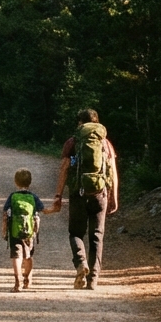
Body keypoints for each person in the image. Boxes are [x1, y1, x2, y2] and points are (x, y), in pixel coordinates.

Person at [54, 108, 118, 290]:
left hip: (78, 193)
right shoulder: (105, 143)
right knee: (97, 235)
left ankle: (81, 263)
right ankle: (93, 280)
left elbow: (64, 168)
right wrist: (114, 196)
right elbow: (113, 171)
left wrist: (58, 195)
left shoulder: (73, 142)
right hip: (100, 193)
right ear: (97, 122)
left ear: (80, 123)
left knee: (75, 233)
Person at [2, 168, 58, 292]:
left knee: (16, 256)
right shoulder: (33, 197)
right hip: (29, 232)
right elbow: (44, 210)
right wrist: (54, 209)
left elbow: (5, 212)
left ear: (16, 182)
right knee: (28, 256)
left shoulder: (12, 196)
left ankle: (18, 281)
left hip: (15, 231)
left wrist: (5, 229)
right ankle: (27, 279)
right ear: (30, 182)